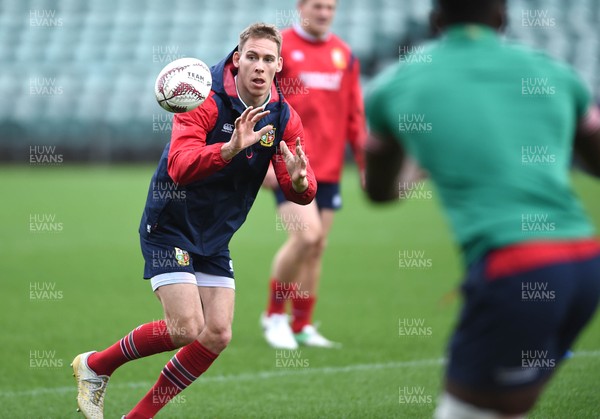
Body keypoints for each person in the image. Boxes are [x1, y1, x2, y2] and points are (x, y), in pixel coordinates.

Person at [364, 0, 600, 417]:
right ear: (502, 17)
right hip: (584, 263)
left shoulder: (395, 84)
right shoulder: (555, 71)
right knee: (509, 408)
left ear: (436, 20)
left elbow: (379, 190)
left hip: (515, 268)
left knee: (464, 411)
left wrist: (419, 168)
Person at [71, 22, 316, 419]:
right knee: (185, 327)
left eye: (268, 59)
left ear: (278, 66)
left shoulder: (284, 117)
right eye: (251, 56)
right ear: (237, 60)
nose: (258, 65)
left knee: (217, 334)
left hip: (214, 236)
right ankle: (96, 366)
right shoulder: (201, 98)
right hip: (170, 226)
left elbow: (299, 187)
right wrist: (229, 149)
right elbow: (181, 167)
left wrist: (302, 182)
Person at [261, 0, 366, 349]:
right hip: (288, 162)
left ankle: (302, 324)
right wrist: (261, 159)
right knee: (305, 237)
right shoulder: (281, 49)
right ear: (301, 6)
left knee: (317, 246)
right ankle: (274, 316)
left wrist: (364, 164)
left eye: (330, 7)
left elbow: (355, 113)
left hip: (330, 167)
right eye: (317, 6)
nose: (324, 13)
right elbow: (262, 103)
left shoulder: (344, 55)